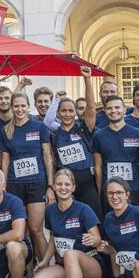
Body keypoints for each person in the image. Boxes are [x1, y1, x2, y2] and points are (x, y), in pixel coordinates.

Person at [33, 169, 108, 278]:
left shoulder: (83, 209)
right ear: (53, 187)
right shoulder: (50, 211)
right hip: (66, 265)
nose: (63, 187)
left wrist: (92, 239)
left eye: (67, 184)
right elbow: (54, 237)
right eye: (59, 184)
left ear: (73, 187)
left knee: (70, 255)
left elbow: (97, 238)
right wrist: (45, 261)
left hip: (91, 263)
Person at [0, 92, 54, 271]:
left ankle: (46, 270)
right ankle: (28, 272)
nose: (20, 109)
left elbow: (47, 156)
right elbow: (5, 160)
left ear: (28, 106)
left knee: (37, 229)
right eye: (16, 106)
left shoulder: (39, 127)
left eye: (23, 106)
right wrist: (3, 184)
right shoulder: (6, 130)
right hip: (15, 184)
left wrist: (51, 185)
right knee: (23, 232)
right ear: (12, 107)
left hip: (37, 183)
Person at [51, 67, 99, 215]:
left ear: (76, 113)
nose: (67, 114)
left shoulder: (84, 129)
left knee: (94, 216)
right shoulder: (54, 134)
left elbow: (91, 107)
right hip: (64, 183)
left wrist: (87, 79)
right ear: (58, 113)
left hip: (86, 181)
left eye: (71, 111)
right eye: (63, 111)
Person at [92, 95, 139, 207]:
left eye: (117, 107)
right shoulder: (99, 136)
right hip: (110, 192)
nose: (113, 111)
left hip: (133, 189)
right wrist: (100, 191)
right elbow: (98, 167)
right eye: (110, 108)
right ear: (105, 111)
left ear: (124, 109)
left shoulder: (138, 134)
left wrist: (133, 175)